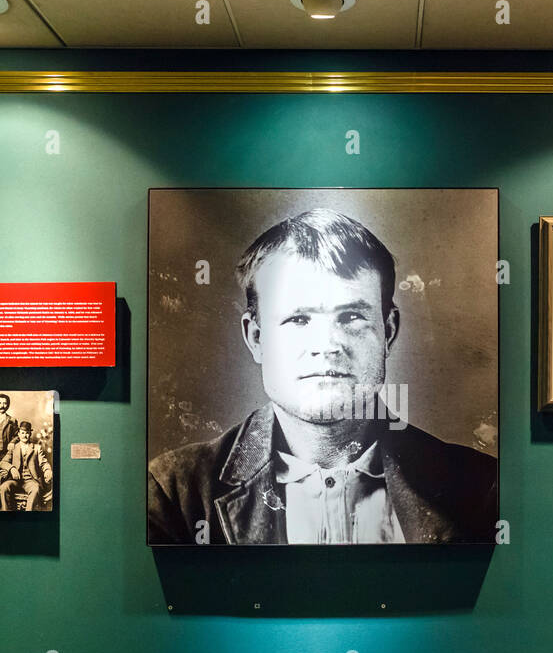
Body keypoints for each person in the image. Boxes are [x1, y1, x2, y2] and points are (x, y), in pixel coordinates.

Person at [147, 208, 498, 545]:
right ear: (256, 338)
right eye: (298, 319)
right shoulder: (174, 492)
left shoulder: (481, 487)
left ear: (388, 333)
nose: (327, 345)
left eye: (351, 317)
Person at [0, 420, 52, 511]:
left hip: (30, 480)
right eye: (22, 433)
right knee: (4, 487)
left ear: (30, 434)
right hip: (15, 480)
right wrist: (11, 468)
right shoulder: (14, 447)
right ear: (18, 434)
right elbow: (2, 462)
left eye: (27, 433)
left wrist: (48, 470)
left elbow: (44, 463)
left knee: (35, 489)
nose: (24, 435)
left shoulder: (36, 448)